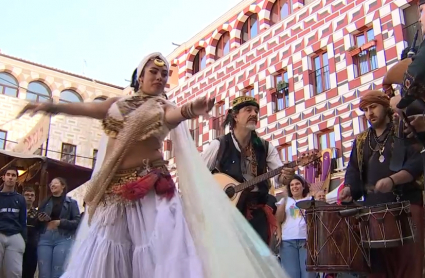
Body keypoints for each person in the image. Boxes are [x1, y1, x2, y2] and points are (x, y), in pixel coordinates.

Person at [18, 53, 214, 278]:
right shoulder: (116, 104)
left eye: (164, 74)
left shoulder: (162, 107)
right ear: (140, 77)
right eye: (153, 72)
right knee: (106, 253)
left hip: (149, 191)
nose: (160, 77)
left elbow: (176, 114)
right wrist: (49, 107)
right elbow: (84, 108)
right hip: (114, 194)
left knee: (156, 253)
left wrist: (192, 109)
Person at [339, 90, 424, 278]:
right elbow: (353, 172)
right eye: (366, 109)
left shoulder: (403, 130)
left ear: (385, 108)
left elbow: (417, 162)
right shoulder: (361, 141)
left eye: (373, 107)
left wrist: (393, 180)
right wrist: (349, 189)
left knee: (409, 268)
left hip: (406, 207)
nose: (370, 113)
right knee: (378, 270)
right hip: (373, 212)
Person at [201, 96, 295, 246]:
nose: (254, 114)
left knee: (259, 261)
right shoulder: (219, 145)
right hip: (226, 216)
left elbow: (280, 179)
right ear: (235, 116)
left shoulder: (265, 147)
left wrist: (287, 177)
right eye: (248, 110)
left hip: (256, 215)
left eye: (256, 111)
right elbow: (197, 175)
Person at [37, 178, 80, 278]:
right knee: (44, 272)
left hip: (63, 238)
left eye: (55, 183)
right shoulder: (45, 202)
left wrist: (60, 222)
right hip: (45, 238)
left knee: (58, 271)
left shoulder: (71, 203)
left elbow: (77, 222)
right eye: (51, 184)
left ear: (63, 186)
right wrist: (40, 219)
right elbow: (37, 222)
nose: (52, 185)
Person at [275, 175, 315, 278]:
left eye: (297, 184)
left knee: (308, 274)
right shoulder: (285, 201)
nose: (294, 187)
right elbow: (278, 219)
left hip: (306, 241)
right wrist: (284, 199)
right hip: (288, 241)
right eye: (292, 185)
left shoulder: (310, 199)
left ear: (303, 186)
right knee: (291, 274)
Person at [0, 167, 27, 278]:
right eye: (8, 175)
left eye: (13, 175)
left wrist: (24, 239)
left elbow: (23, 221)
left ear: (17, 179)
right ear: (3, 177)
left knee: (14, 273)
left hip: (15, 235)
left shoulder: (20, 199)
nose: (10, 177)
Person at [22, 186, 39, 278]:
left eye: (32, 195)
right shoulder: (18, 212)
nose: (29, 197)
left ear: (35, 198)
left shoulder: (38, 214)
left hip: (32, 247)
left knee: (29, 272)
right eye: (27, 195)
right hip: (18, 244)